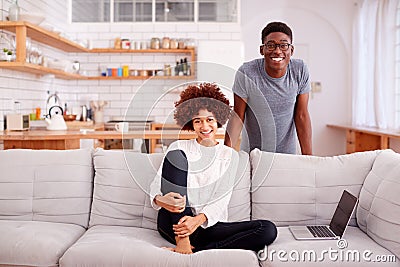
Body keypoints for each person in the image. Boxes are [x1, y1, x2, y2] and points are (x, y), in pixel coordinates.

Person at [149, 83, 277, 254]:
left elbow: (221, 197)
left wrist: (196, 221)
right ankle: (183, 242)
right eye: (198, 121)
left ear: (218, 120)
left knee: (267, 229)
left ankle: (201, 249)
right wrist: (160, 200)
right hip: (173, 223)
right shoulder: (178, 147)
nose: (204, 126)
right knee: (176, 156)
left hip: (206, 226)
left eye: (209, 119)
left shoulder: (229, 155)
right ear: (190, 123)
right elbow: (157, 185)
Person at [224, 21, 312, 155]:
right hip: (253, 155)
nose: (277, 51)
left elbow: (301, 115)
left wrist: (309, 158)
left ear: (291, 50)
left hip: (286, 156)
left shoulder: (299, 70)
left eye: (283, 45)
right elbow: (237, 116)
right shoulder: (247, 72)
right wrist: (225, 154)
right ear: (262, 50)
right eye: (271, 45)